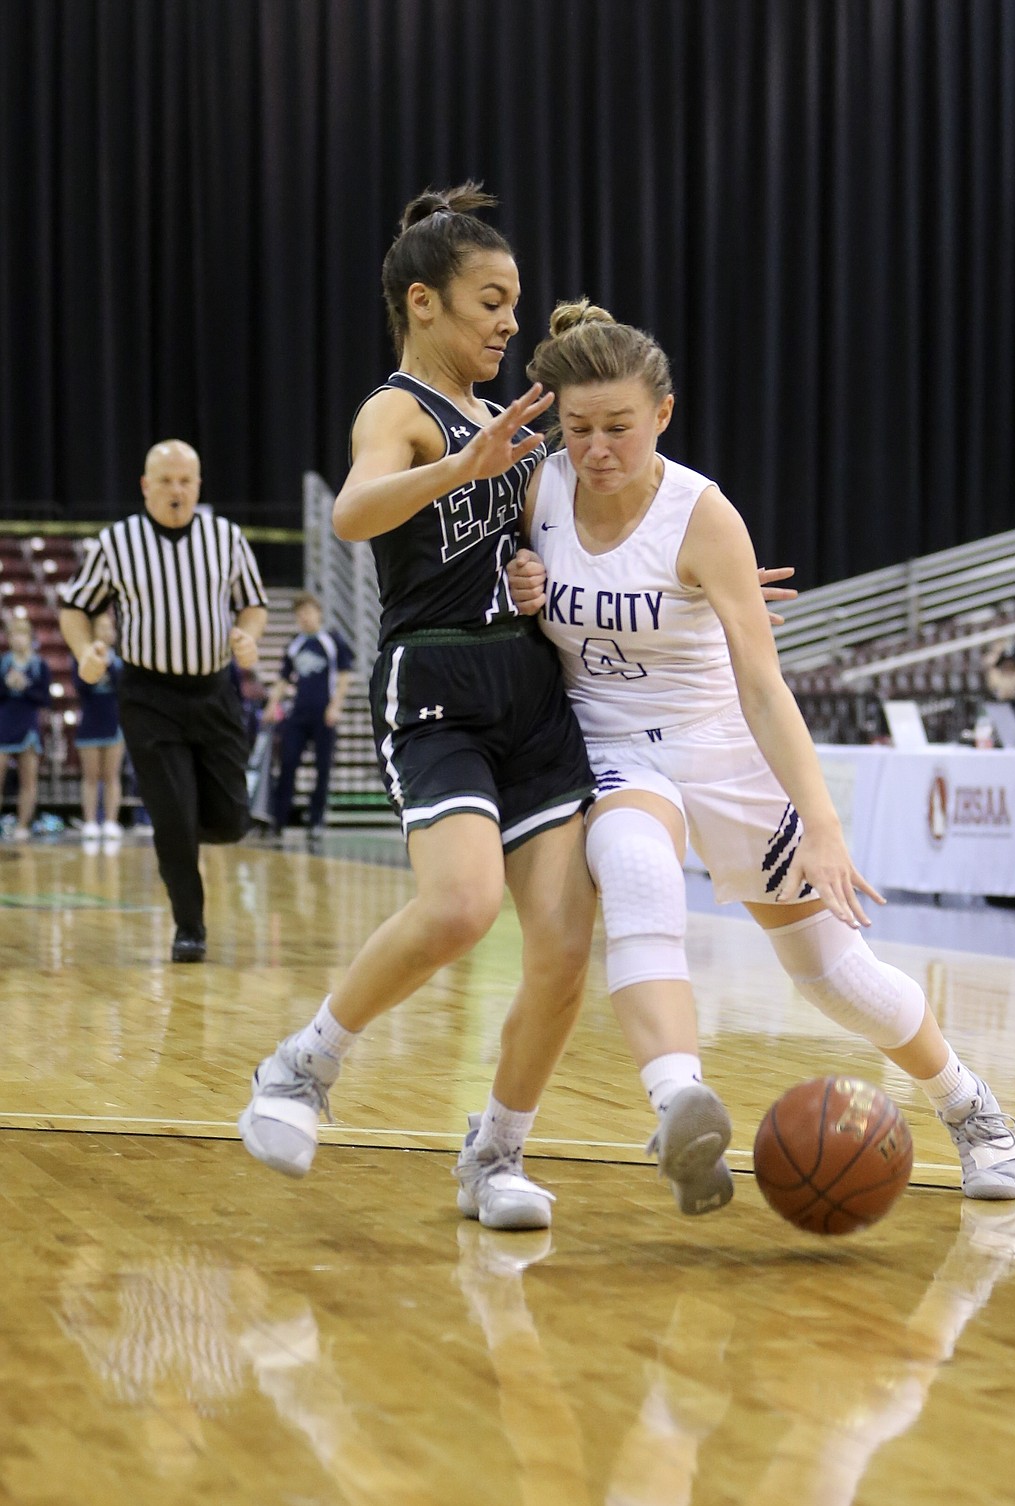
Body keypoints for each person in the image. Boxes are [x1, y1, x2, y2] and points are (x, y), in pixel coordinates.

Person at [508, 299, 1015, 1210]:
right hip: (612, 747)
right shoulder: (538, 489)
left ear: (662, 415)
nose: (595, 449)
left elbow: (763, 686)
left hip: (723, 749)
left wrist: (821, 823)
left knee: (834, 977)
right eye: (577, 427)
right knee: (636, 869)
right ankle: (681, 1106)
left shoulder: (703, 515)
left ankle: (969, 1104)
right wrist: (514, 585)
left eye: (619, 429)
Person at [238, 185, 598, 1233]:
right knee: (458, 908)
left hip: (530, 690)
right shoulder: (400, 409)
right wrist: (460, 468)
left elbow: (519, 551)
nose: (508, 324)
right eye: (491, 301)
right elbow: (355, 514)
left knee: (566, 949)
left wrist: (530, 572)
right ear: (422, 301)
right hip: (435, 686)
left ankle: (497, 1153)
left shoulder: (505, 421)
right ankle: (305, 1064)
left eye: (515, 304)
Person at [57, 439, 269, 961]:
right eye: (166, 481)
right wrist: (84, 651)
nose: (177, 490)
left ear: (198, 485)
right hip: (149, 696)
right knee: (173, 820)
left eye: (186, 481)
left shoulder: (227, 538)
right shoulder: (116, 543)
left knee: (231, 820)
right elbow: (74, 607)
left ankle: (185, 817)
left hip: (215, 691)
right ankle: (189, 926)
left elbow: (254, 606)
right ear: (146, 486)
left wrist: (247, 635)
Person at [262, 591, 355, 840]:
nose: (304, 617)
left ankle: (316, 821)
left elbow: (345, 675)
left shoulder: (331, 640)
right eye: (299, 613)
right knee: (288, 764)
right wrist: (272, 704)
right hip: (299, 714)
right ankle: (279, 820)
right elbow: (284, 678)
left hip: (324, 714)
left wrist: (335, 706)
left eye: (307, 611)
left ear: (318, 613)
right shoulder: (296, 643)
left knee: (323, 768)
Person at [71, 609, 125, 843]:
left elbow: (122, 688)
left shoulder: (121, 660)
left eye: (109, 627)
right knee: (91, 776)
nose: (106, 631)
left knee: (112, 775)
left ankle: (111, 821)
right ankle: (91, 821)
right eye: (101, 627)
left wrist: (108, 666)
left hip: (114, 721)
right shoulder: (81, 656)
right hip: (90, 719)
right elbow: (80, 687)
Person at [0, 614, 50, 841]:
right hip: (4, 723)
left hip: (28, 725)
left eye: (22, 634)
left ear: (30, 637)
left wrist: (26, 686)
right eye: (13, 635)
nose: (18, 639)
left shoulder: (40, 665)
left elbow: (45, 700)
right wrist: (8, 685)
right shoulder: (3, 663)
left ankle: (22, 824)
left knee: (28, 779)